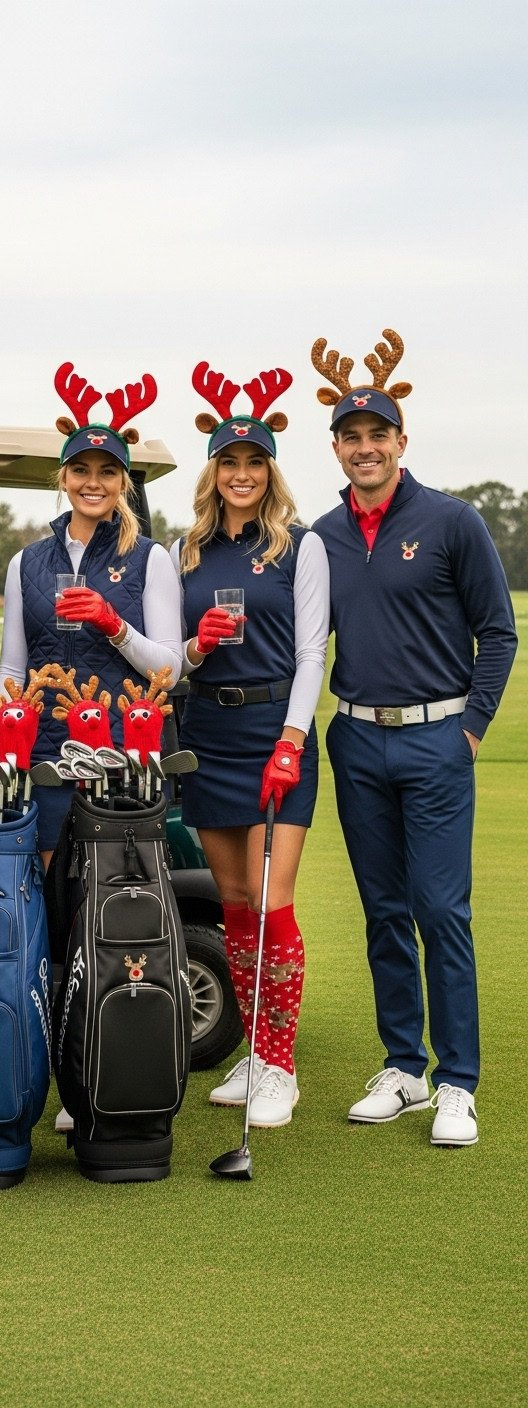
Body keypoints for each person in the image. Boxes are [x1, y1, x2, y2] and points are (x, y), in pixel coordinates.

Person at [310, 327, 517, 1146]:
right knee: (383, 911)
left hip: (437, 740)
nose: (365, 449)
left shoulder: (451, 520)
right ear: (337, 447)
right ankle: (404, 1067)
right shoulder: (321, 535)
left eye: (378, 436)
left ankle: (457, 1082)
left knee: (441, 911)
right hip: (357, 740)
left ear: (402, 441)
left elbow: (497, 633)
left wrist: (469, 730)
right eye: (351, 438)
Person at [0, 363, 182, 1131]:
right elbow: (11, 666)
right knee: (41, 908)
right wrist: (4, 728)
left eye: (109, 471)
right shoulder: (25, 561)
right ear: (62, 477)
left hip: (122, 764)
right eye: (82, 469)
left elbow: (169, 667)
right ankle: (36, 1063)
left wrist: (112, 625)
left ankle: (94, 1059)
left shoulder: (151, 557)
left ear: (125, 482)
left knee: (104, 912)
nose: (94, 482)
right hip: (42, 755)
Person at [170, 360, 330, 1129]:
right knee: (234, 904)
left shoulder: (301, 547)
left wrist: (293, 740)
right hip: (211, 733)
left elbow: (310, 656)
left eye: (254, 462)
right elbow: (174, 659)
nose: (241, 473)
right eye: (228, 462)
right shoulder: (186, 552)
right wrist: (198, 648)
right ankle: (256, 1049)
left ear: (270, 471)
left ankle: (281, 1066)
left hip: (276, 735)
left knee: (272, 903)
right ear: (213, 472)